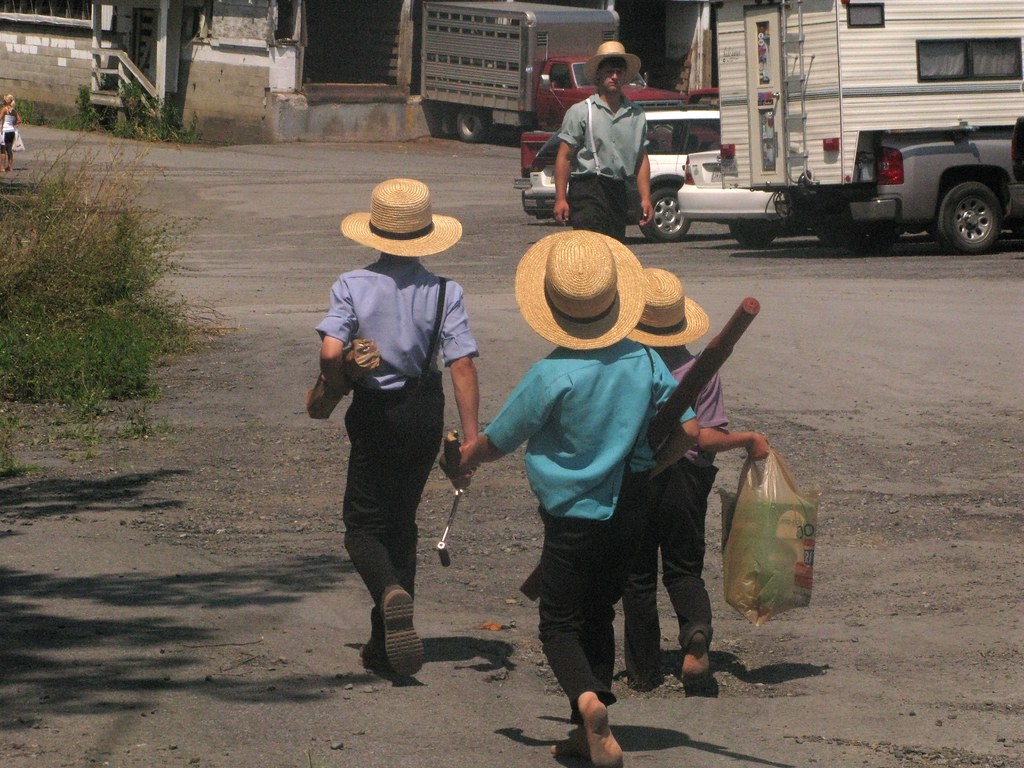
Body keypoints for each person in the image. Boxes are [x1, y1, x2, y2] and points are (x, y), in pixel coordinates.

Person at [455, 231, 698, 768]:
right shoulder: (644, 360)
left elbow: (500, 439)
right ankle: (587, 734)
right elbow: (688, 433)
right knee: (598, 612)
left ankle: (588, 705)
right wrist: (645, 468)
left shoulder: (550, 374)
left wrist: (468, 456)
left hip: (571, 519)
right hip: (630, 509)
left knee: (558, 622)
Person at [314, 178, 481, 678]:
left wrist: (336, 378)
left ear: (374, 234)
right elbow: (463, 365)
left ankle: (388, 590)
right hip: (423, 410)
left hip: (373, 411)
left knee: (362, 527)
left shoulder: (352, 285)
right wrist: (471, 440)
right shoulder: (445, 291)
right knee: (402, 520)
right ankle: (382, 642)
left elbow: (328, 353)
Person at [621, 268, 769, 692]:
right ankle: (696, 636)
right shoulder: (700, 369)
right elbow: (704, 435)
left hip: (639, 475)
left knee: (638, 574)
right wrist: (747, 438)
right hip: (687, 478)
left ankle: (643, 671)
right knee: (684, 567)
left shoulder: (629, 368)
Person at [553, 41, 654, 242]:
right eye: (609, 72)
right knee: (590, 246)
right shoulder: (581, 111)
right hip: (587, 188)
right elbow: (564, 156)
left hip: (618, 189)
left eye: (618, 72)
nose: (614, 77)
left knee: (614, 247)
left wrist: (645, 198)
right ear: (599, 75)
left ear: (625, 76)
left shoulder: (637, 115)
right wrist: (560, 198)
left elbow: (641, 159)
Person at [1, 94, 21, 173]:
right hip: (11, 131)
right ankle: (10, 167)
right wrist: (12, 124)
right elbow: (19, 120)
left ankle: (2, 167)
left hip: (5, 131)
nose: (2, 101)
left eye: (3, 100)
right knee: (9, 149)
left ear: (6, 101)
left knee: (2, 150)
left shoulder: (4, 109)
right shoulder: (13, 111)